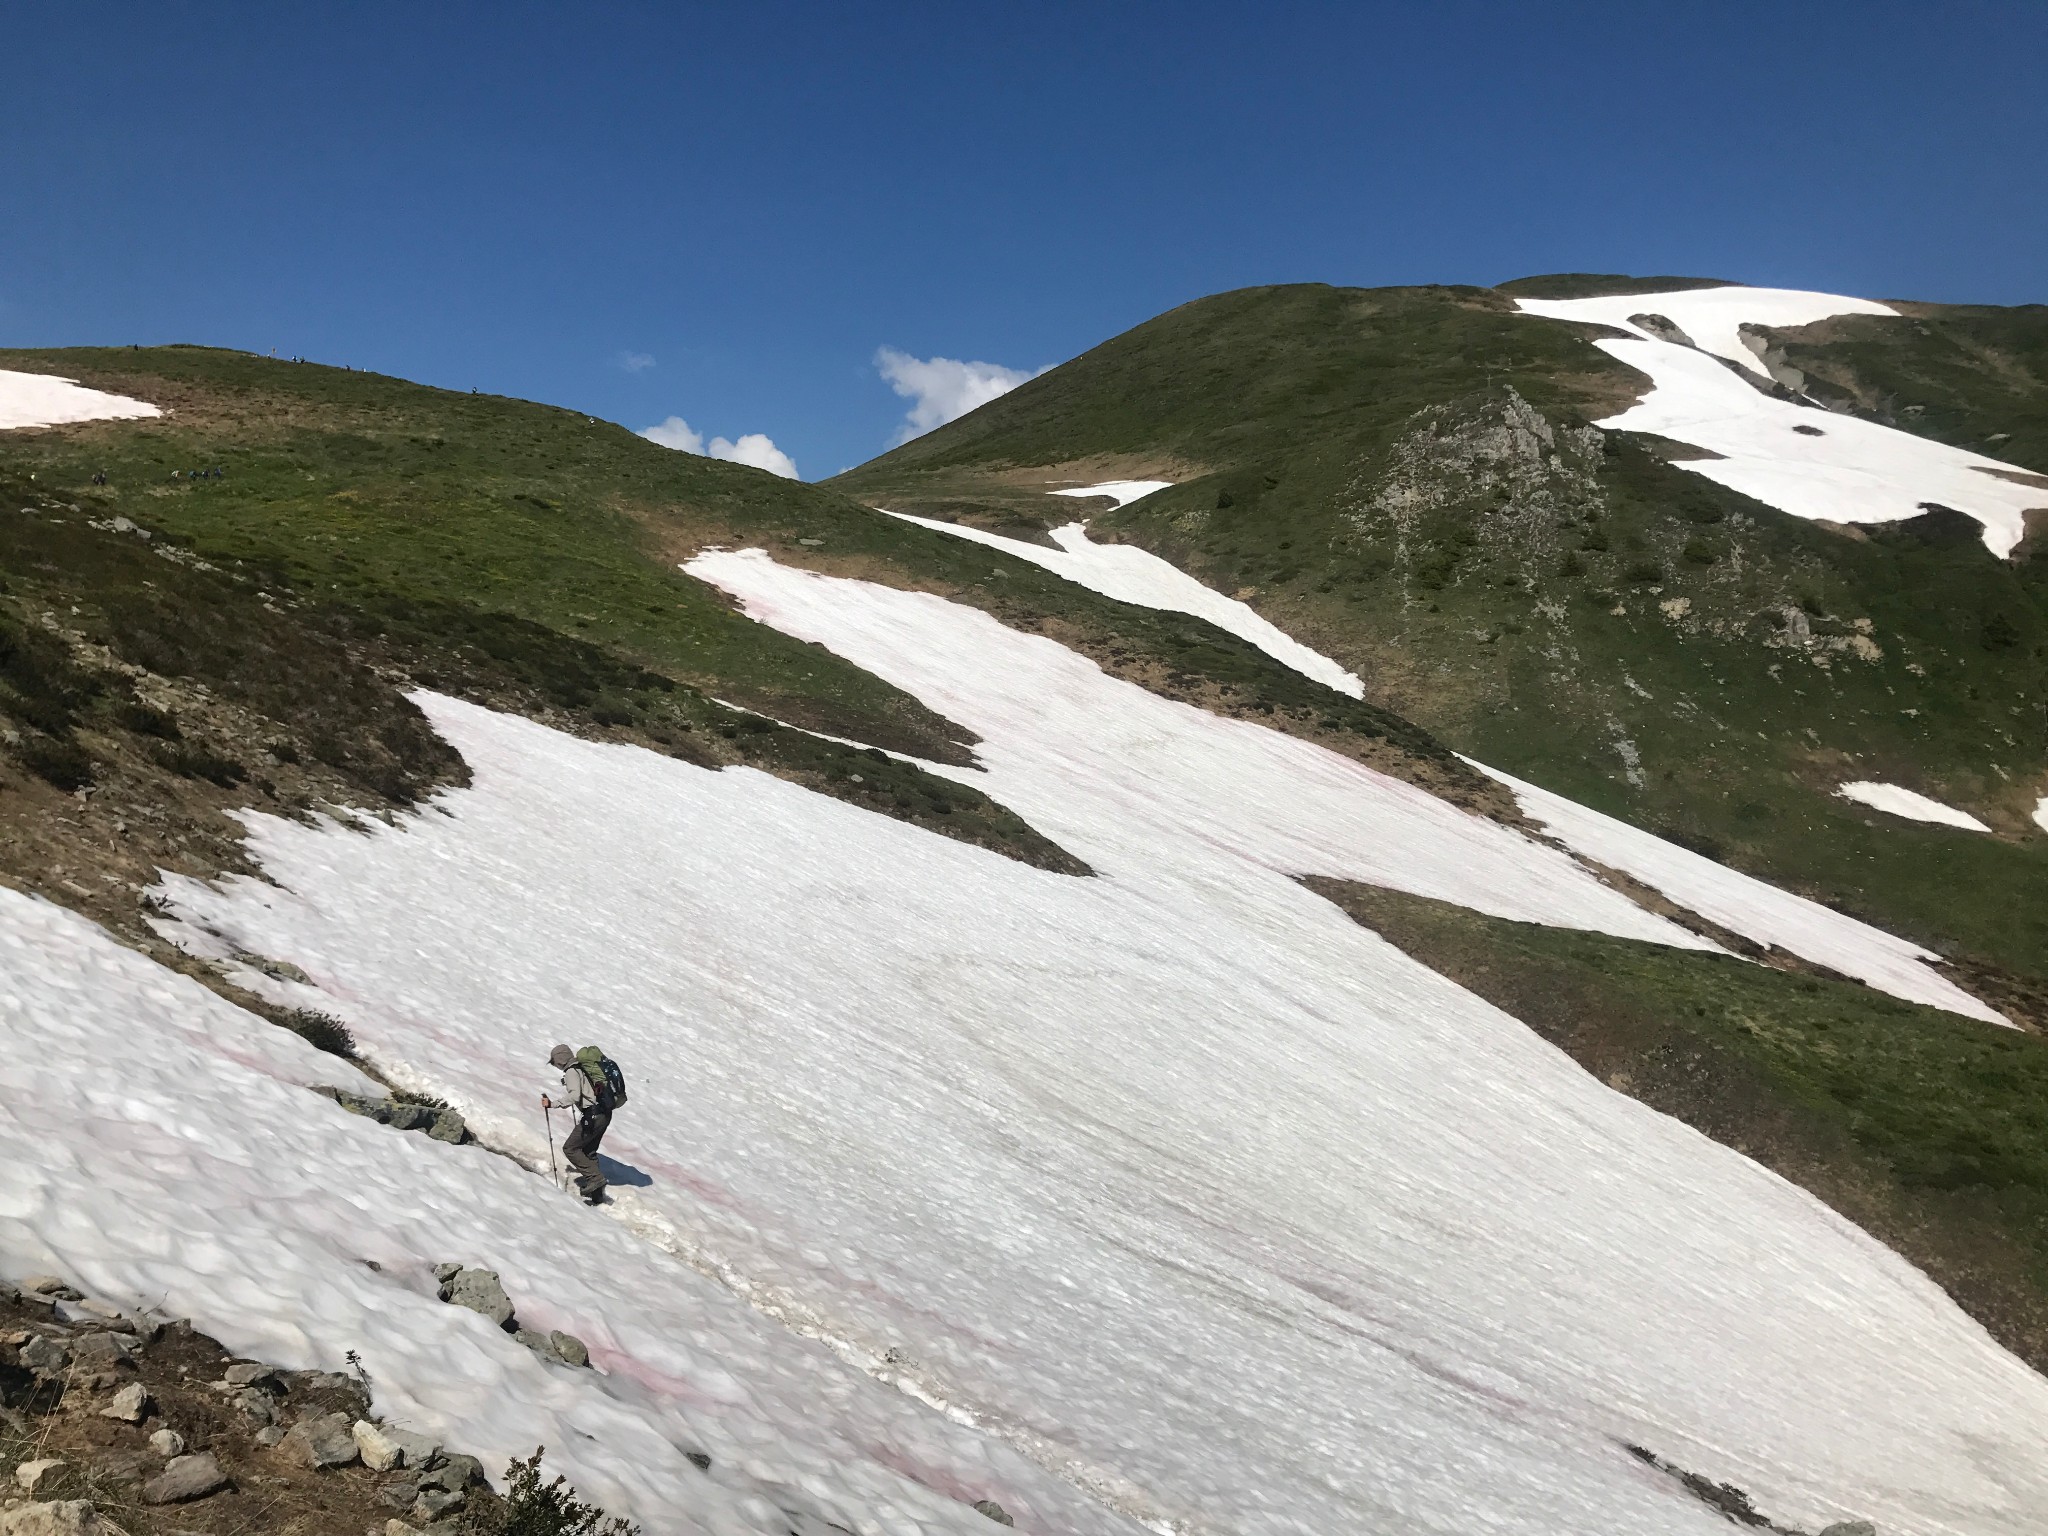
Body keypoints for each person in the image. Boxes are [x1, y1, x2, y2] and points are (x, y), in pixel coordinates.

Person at [543, 1043, 610, 1204]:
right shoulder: (582, 1068)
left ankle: (596, 1179)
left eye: (554, 1062)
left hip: (592, 1115)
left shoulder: (572, 1071)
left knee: (570, 1148)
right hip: (604, 1113)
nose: (555, 1065)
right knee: (589, 1151)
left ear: (560, 1060)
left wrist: (552, 1104)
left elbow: (574, 1096)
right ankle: (597, 1196)